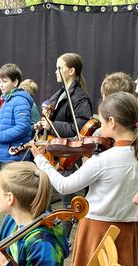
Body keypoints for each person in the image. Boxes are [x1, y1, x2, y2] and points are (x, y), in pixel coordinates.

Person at [32, 91, 138, 266]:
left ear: (113, 122)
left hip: (97, 230)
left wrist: (42, 161)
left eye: (101, 121)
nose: (98, 127)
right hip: (127, 230)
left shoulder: (105, 159)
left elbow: (63, 185)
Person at [34, 53, 93, 240]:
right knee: (46, 193)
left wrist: (52, 125)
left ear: (71, 70)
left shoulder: (80, 97)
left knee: (67, 200)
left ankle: (64, 241)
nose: (55, 72)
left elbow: (81, 128)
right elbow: (51, 117)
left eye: (59, 67)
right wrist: (43, 123)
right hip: (55, 149)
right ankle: (51, 231)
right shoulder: (60, 93)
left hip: (69, 154)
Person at [0, 63, 33, 163]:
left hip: (15, 156)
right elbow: (5, 127)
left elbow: (23, 127)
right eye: (0, 81)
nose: (1, 84)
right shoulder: (6, 101)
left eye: (4, 81)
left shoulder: (20, 101)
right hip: (7, 156)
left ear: (15, 82)